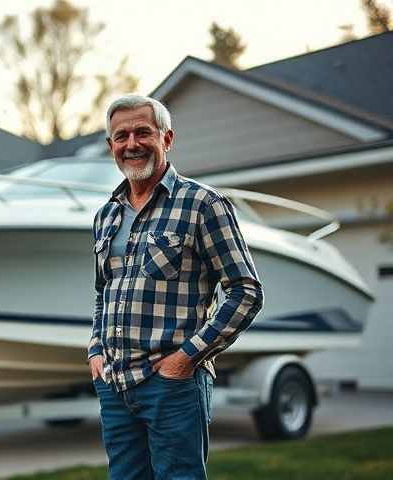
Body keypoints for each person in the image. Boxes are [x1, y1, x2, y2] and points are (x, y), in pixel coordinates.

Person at [88, 94, 264, 480]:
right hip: (115, 385)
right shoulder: (106, 215)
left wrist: (186, 359)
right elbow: (104, 292)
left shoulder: (203, 204)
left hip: (172, 386)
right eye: (121, 136)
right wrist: (96, 350)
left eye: (142, 132)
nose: (131, 144)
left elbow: (245, 291)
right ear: (110, 146)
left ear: (166, 139)